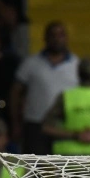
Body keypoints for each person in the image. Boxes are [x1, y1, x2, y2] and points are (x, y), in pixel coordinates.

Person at [10, 21, 78, 155]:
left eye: (61, 35)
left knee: (63, 171)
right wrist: (15, 123)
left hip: (65, 127)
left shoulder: (76, 64)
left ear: (66, 38)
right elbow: (15, 93)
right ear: (45, 38)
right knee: (36, 170)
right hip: (36, 125)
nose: (57, 39)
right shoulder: (31, 63)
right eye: (53, 35)